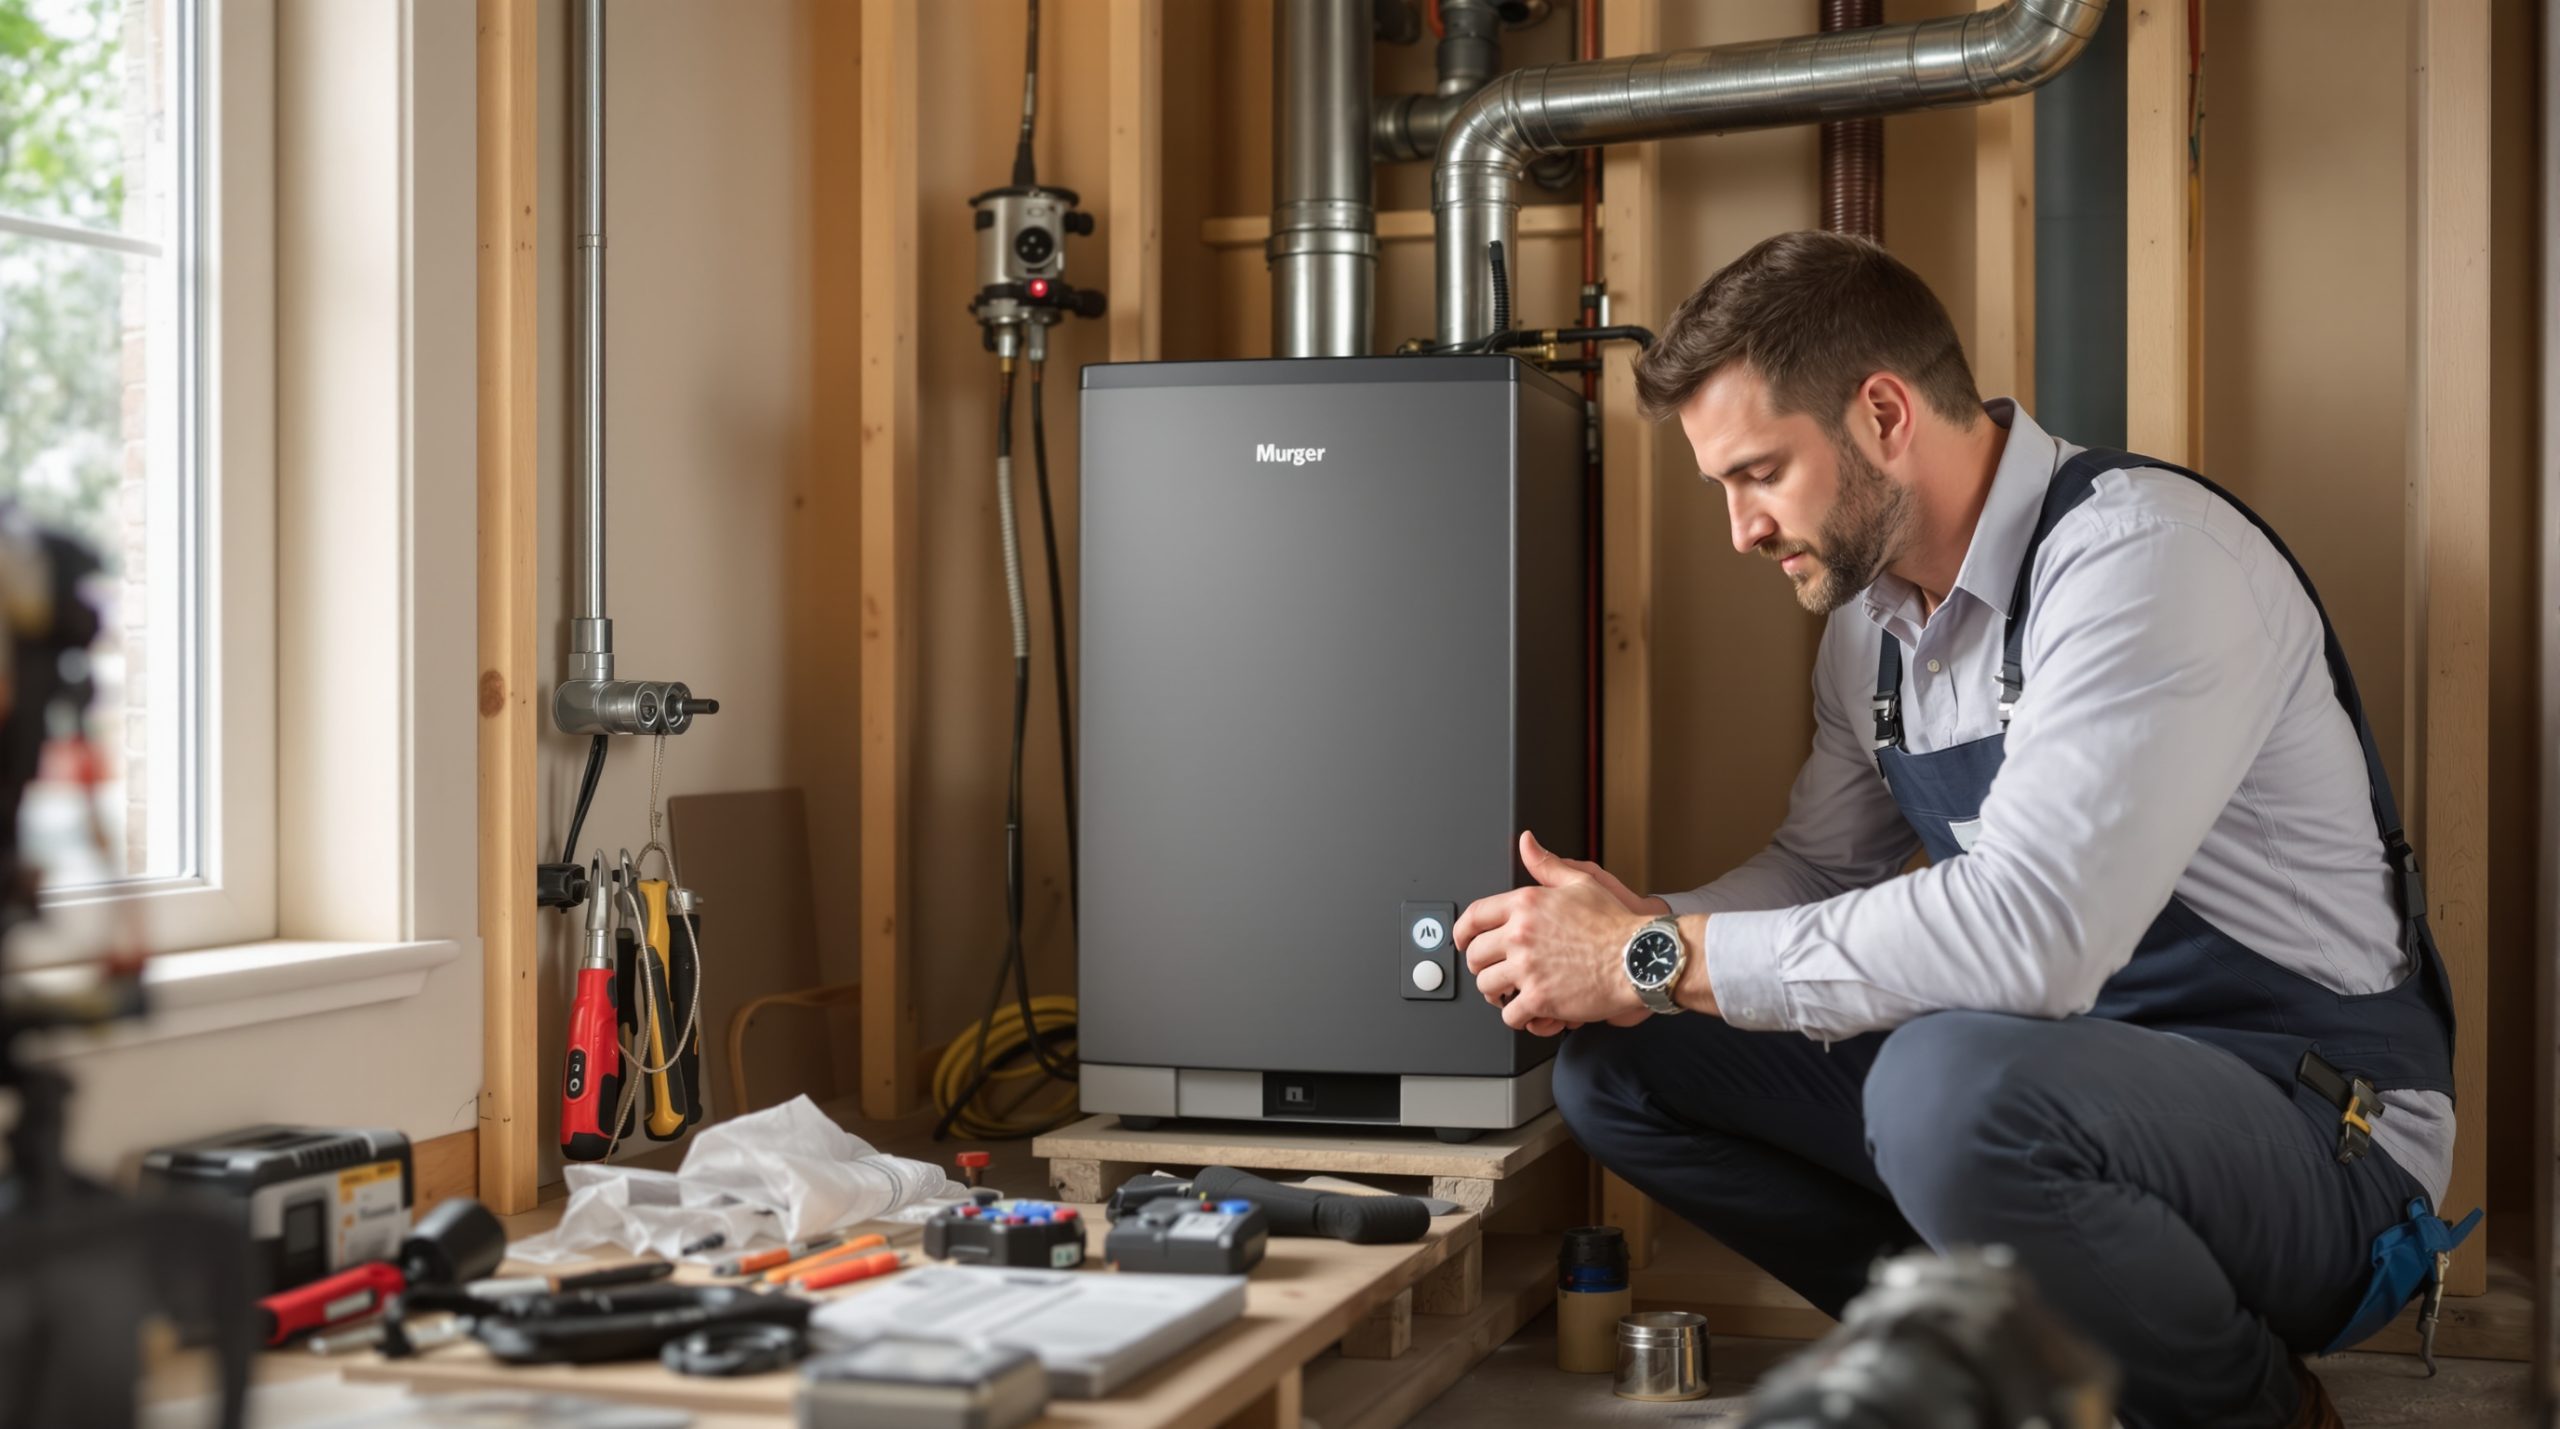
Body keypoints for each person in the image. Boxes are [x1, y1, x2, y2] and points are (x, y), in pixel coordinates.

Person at [1451, 231, 2468, 1429]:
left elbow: (2033, 937)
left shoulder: (2140, 562)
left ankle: (2243, 1408)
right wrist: (1628, 936)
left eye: (1759, 473)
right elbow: (1819, 868)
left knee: (1946, 1089)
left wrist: (1649, 957)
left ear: (1883, 414)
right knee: (1622, 1065)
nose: (1739, 528)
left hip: (2321, 1136)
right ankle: (2010, 1382)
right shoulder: (1870, 627)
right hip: (2062, 1085)